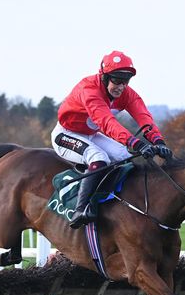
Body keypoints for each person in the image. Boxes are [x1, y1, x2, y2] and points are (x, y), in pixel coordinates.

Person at [51, 50, 172, 229]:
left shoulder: (127, 94)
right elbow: (107, 123)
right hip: (66, 134)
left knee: (123, 156)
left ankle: (113, 203)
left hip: (90, 134)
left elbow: (144, 117)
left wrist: (158, 141)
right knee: (99, 158)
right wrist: (135, 143)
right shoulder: (89, 90)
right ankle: (80, 209)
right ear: (104, 77)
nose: (121, 86)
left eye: (126, 81)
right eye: (116, 80)